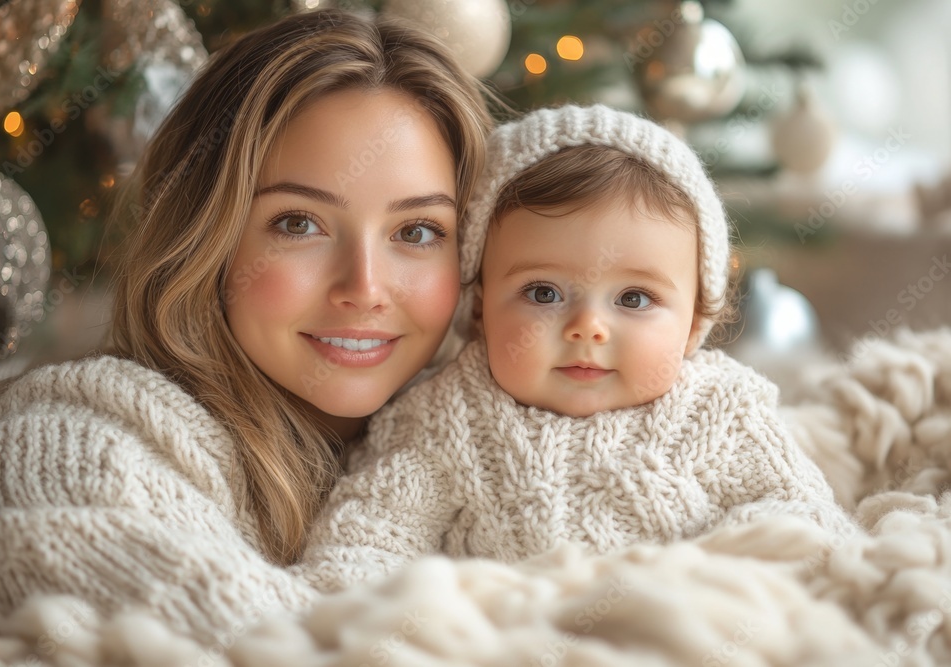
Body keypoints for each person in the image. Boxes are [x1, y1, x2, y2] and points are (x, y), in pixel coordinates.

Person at [0, 8, 491, 643]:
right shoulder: (72, 440)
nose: (365, 289)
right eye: (298, 223)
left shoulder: (493, 437)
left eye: (418, 231)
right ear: (207, 237)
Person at [296, 104, 857, 593]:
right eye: (543, 293)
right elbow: (368, 541)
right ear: (479, 307)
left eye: (634, 298)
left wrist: (715, 581)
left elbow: (806, 519)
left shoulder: (723, 411)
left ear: (694, 323)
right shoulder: (446, 420)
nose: (588, 327)